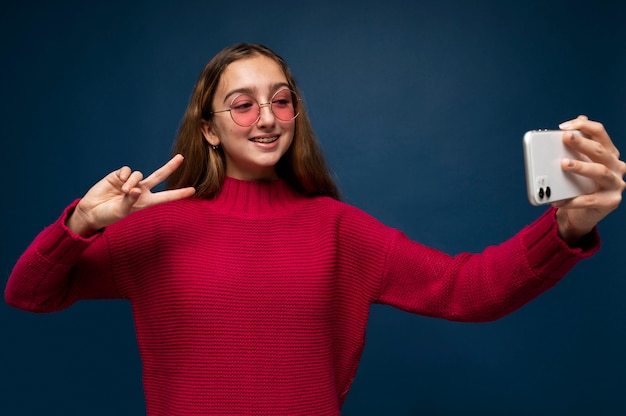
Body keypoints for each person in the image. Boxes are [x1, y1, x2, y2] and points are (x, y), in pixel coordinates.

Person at [5, 43, 625, 415]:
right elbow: (29, 294)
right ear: (210, 129)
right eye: (243, 103)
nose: (268, 117)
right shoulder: (158, 227)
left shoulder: (336, 229)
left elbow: (466, 290)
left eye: (281, 99)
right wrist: (79, 224)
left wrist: (564, 228)